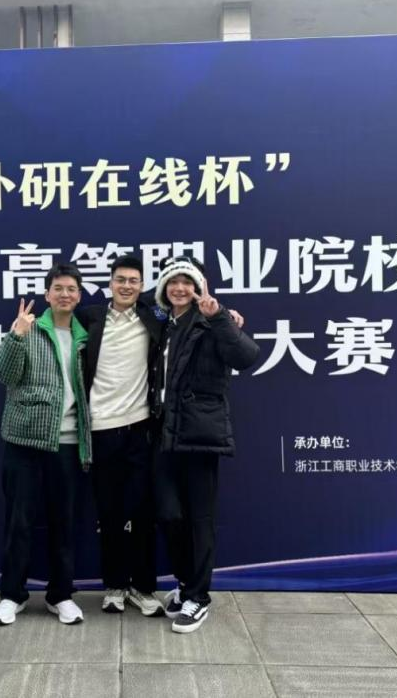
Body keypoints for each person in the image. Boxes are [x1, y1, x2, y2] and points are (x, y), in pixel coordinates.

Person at [151, 255, 260, 634]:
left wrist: (221, 318)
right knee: (169, 514)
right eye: (173, 282)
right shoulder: (164, 325)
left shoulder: (212, 320)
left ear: (199, 287)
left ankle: (198, 597)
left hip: (200, 434)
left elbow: (246, 357)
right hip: (164, 434)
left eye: (187, 282)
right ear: (163, 288)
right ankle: (186, 584)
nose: (180, 288)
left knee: (200, 520)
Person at [0, 263, 91, 626]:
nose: (65, 294)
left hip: (68, 444)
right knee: (19, 522)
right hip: (26, 443)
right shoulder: (29, 329)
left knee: (64, 524)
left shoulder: (86, 336)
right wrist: (16, 335)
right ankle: (11, 595)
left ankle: (60, 595)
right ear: (47, 294)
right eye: (58, 288)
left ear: (79, 295)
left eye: (71, 289)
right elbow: (3, 373)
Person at [76, 254, 165, 617]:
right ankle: (114, 586)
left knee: (143, 513)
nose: (126, 286)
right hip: (100, 428)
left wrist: (225, 315)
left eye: (133, 281)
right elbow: (59, 329)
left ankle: (143, 588)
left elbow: (190, 317)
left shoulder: (153, 319)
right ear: (110, 283)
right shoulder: (89, 317)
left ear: (142, 286)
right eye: (120, 280)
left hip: (140, 428)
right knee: (109, 513)